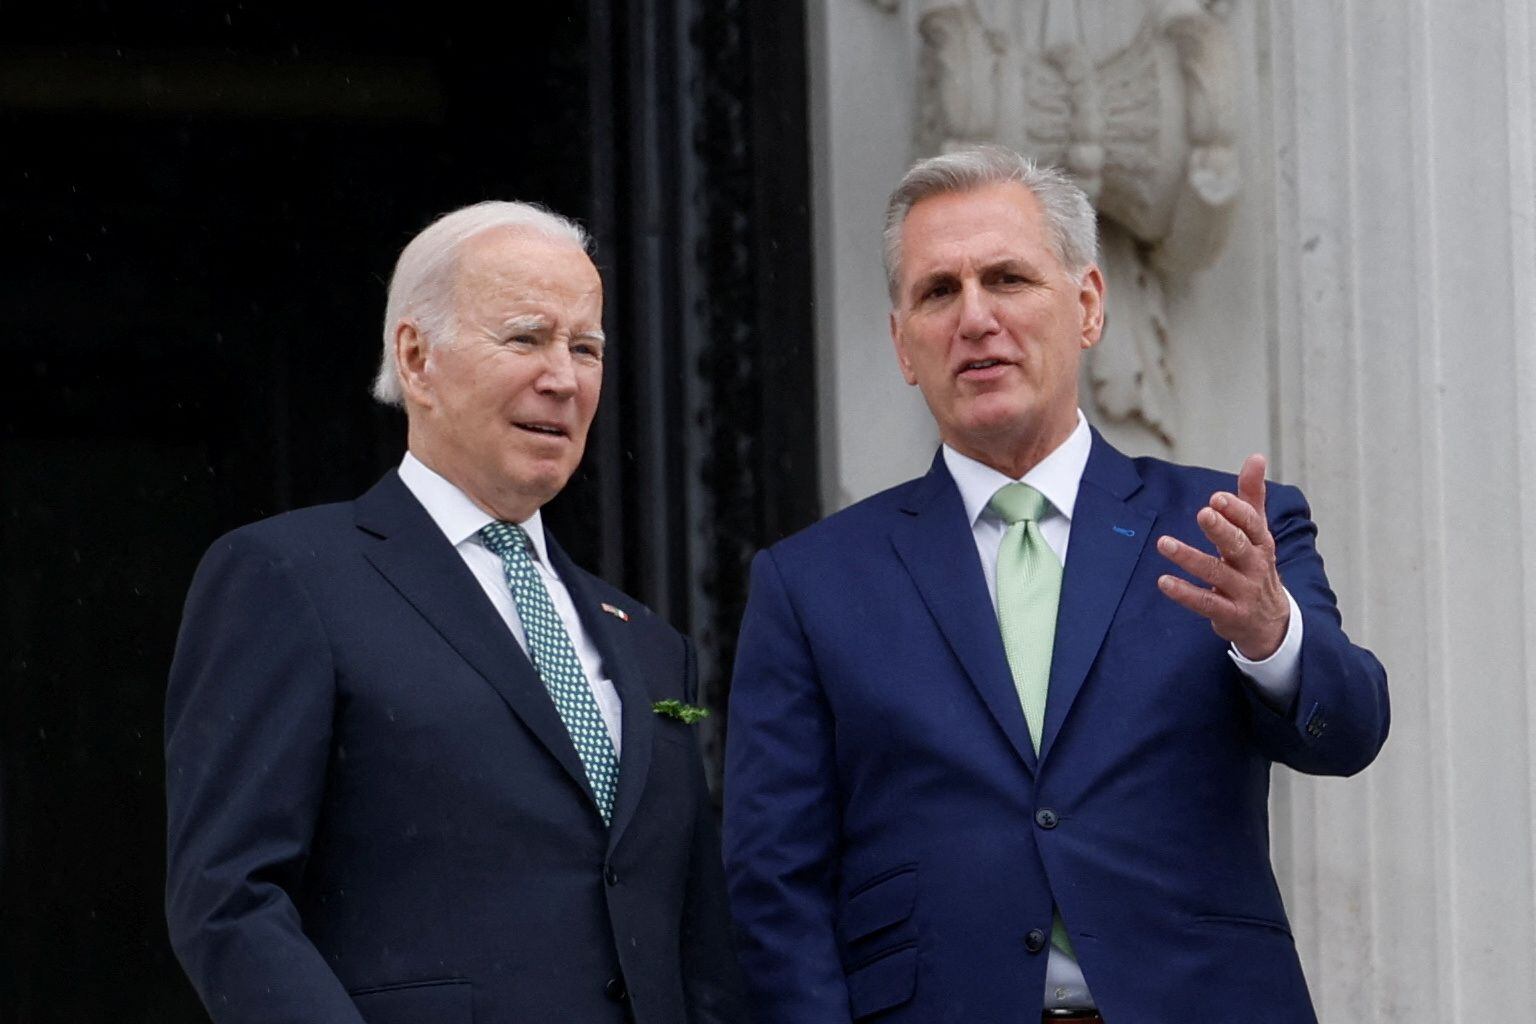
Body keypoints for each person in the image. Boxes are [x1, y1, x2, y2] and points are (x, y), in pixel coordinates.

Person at [723, 146, 1389, 1023]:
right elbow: (775, 881)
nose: (975, 319)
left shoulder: (1222, 529)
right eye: (937, 292)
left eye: (1007, 279)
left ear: (1088, 307)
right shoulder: (811, 583)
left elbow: (1350, 731)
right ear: (902, 346)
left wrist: (1272, 636)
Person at [165, 201, 744, 1024]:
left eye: (586, 348)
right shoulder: (291, 578)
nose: (563, 377)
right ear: (417, 358)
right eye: (525, 338)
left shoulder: (649, 644)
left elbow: (697, 943)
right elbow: (228, 902)